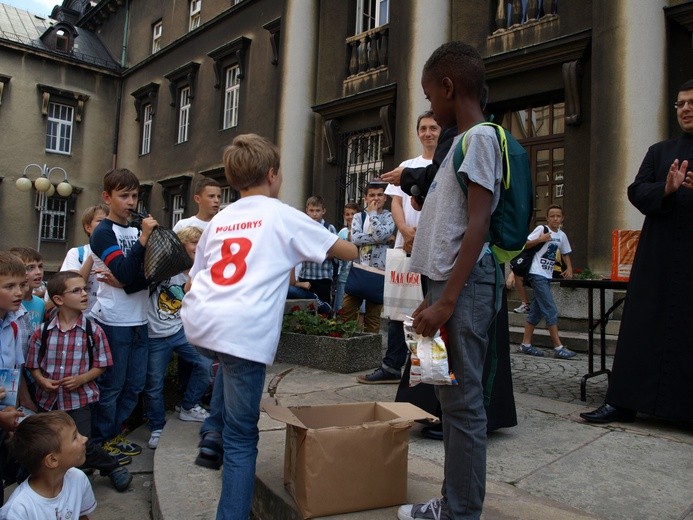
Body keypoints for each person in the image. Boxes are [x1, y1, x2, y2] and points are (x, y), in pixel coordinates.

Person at [180, 133, 357, 520]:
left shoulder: (220, 218)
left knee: (228, 362)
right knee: (242, 439)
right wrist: (339, 240)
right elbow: (346, 251)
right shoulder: (280, 213)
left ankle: (212, 428)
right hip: (242, 331)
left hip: (201, 323)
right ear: (272, 174)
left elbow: (194, 279)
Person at [397, 41, 503, 520]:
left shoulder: (478, 137)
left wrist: (448, 300)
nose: (430, 108)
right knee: (451, 398)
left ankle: (460, 511)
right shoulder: (462, 142)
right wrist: (435, 295)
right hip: (448, 285)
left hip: (465, 287)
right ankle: (455, 503)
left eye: (429, 95)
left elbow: (478, 225)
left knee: (462, 406)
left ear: (447, 86)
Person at [580, 80, 693, 426]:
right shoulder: (660, 152)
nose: (686, 109)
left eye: (692, 103)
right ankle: (622, 402)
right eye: (680, 104)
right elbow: (636, 191)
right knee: (640, 328)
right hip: (656, 259)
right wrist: (667, 188)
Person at [26, 271, 132, 491]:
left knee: (81, 442)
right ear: (58, 299)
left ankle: (111, 467)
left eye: (84, 289)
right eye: (77, 290)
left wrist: (81, 379)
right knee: (50, 443)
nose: (84, 294)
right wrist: (41, 380)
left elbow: (102, 364)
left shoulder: (93, 331)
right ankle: (60, 477)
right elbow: (33, 365)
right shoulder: (42, 332)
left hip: (78, 400)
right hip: (48, 402)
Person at [358, 111, 440, 384]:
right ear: (418, 133)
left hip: (434, 248)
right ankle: (392, 366)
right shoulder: (408, 165)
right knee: (398, 308)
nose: (428, 133)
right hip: (407, 247)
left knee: (431, 308)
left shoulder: (444, 164)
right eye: (423, 128)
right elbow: (395, 201)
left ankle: (426, 368)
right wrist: (404, 230)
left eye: (433, 128)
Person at [89, 168, 158, 463]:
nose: (131, 202)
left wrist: (129, 284)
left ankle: (114, 434)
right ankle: (103, 440)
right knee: (113, 387)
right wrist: (142, 245)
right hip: (114, 322)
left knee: (134, 386)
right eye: (124, 196)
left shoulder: (137, 228)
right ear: (107, 197)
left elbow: (158, 274)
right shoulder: (103, 233)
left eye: (135, 195)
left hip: (141, 319)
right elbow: (129, 271)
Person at [144, 225, 213, 450]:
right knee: (154, 383)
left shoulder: (198, 273)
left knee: (204, 364)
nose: (198, 248)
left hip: (179, 331)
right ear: (181, 245)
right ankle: (156, 427)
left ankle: (188, 406)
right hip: (155, 335)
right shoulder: (165, 269)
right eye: (194, 243)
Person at [0, 411, 95, 519]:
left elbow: (82, 516)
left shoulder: (78, 478)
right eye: (74, 437)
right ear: (53, 460)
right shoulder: (18, 510)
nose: (84, 439)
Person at [517, 205, 576, 359]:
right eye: (552, 216)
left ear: (562, 218)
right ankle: (558, 347)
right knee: (550, 309)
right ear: (547, 218)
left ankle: (526, 344)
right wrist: (540, 239)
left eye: (558, 216)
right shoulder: (541, 229)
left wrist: (569, 268)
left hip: (547, 275)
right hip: (536, 274)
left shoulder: (562, 236)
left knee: (536, 311)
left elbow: (565, 253)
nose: (555, 218)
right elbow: (524, 244)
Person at [341, 183, 395, 333]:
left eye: (379, 195)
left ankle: (368, 354)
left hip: (378, 273)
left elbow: (381, 234)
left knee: (373, 319)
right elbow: (356, 239)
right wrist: (382, 239)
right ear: (365, 198)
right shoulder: (359, 216)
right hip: (358, 271)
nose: (375, 198)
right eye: (372, 195)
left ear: (385, 198)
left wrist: (373, 216)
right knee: (347, 312)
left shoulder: (389, 216)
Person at [0, 251, 32, 501]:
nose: (19, 292)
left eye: (21, 285)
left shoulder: (13, 324)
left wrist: (16, 408)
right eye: (9, 286)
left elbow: (13, 372)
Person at [54, 205, 109, 318]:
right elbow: (72, 284)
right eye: (100, 221)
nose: (107, 225)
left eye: (109, 221)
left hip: (109, 318)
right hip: (83, 318)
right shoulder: (76, 253)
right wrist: (95, 251)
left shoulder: (118, 253)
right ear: (88, 227)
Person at [298, 196, 338, 306]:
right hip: (306, 275)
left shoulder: (329, 229)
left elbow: (335, 252)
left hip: (323, 277)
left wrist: (317, 254)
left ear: (323, 211)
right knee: (305, 309)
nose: (314, 214)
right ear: (306, 211)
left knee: (323, 309)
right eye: (311, 210)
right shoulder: (302, 228)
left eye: (317, 210)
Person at [333, 202, 360, 312]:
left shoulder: (362, 231)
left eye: (353, 214)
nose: (350, 217)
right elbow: (336, 254)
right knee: (341, 308)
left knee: (359, 310)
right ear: (344, 216)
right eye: (347, 214)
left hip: (359, 276)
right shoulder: (342, 233)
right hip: (344, 277)